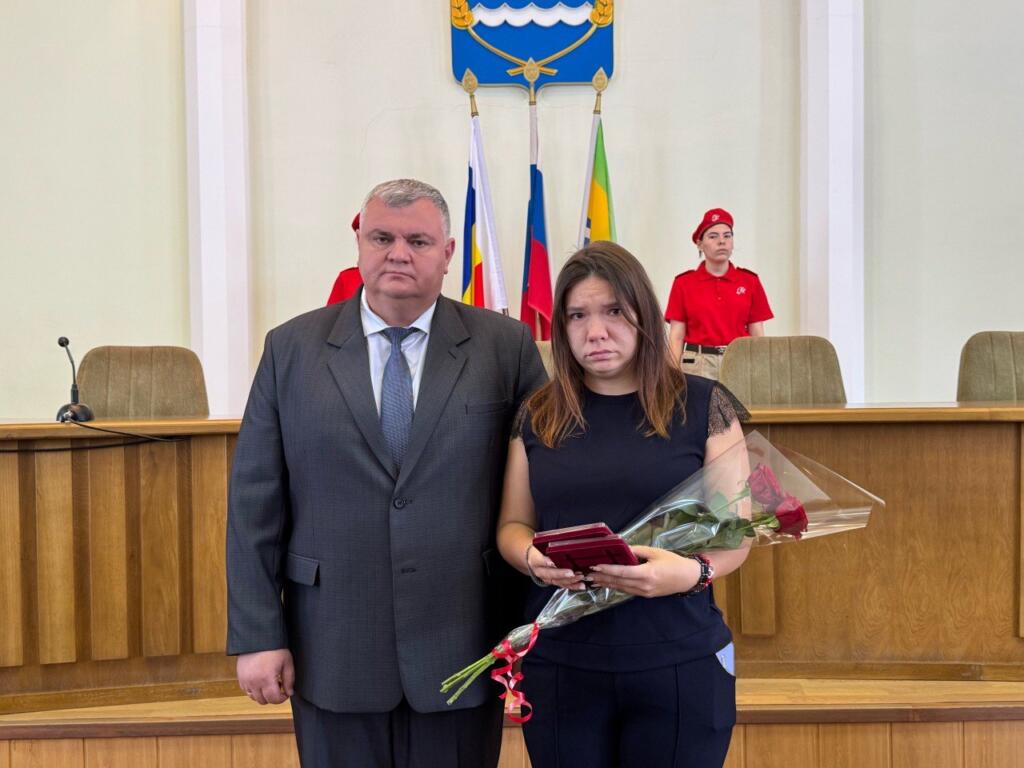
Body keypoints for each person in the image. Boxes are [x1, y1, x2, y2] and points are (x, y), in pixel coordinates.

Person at [227, 178, 547, 768]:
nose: (398, 253)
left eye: (418, 241)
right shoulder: (290, 349)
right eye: (382, 238)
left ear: (448, 253)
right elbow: (254, 505)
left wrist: (536, 627)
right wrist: (257, 635)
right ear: (359, 244)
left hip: (463, 643)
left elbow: (544, 490)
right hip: (332, 646)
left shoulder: (505, 347)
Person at [497, 241, 750, 768]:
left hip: (678, 657)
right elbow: (513, 524)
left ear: (644, 316)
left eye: (614, 311)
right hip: (562, 663)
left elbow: (736, 534)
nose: (595, 332)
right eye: (577, 315)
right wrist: (531, 559)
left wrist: (690, 573)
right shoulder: (537, 413)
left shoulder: (704, 404)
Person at [665, 208, 773, 380]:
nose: (721, 241)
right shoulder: (683, 283)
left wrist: (762, 373)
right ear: (700, 244)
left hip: (740, 361)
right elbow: (676, 337)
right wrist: (670, 377)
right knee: (698, 399)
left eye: (727, 236)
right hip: (697, 364)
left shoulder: (750, 281)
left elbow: (757, 334)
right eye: (713, 236)